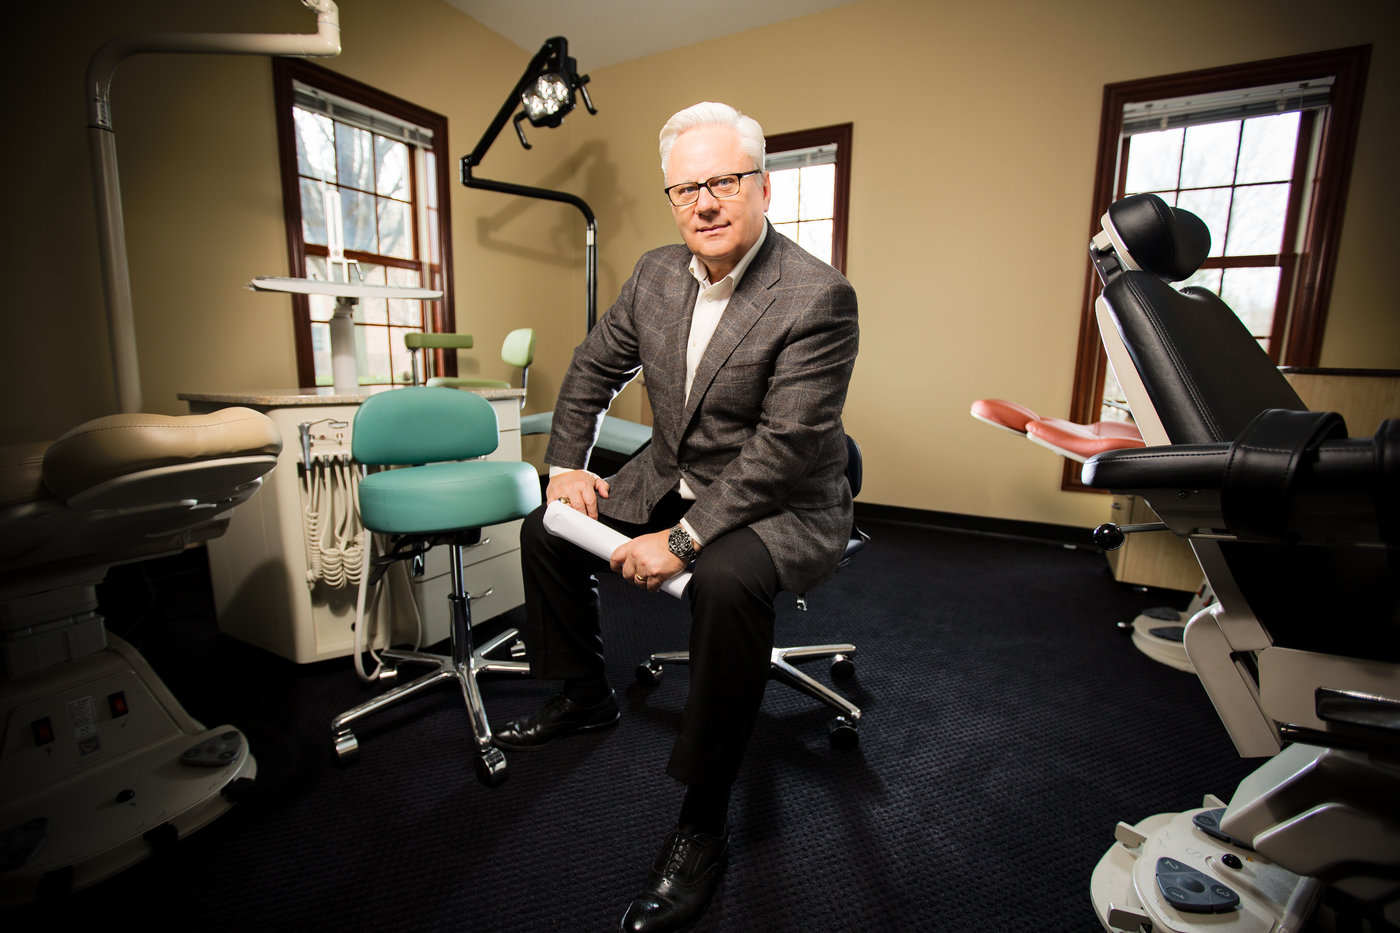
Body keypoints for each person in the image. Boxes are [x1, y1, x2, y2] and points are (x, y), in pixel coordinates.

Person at [492, 101, 859, 933]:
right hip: (675, 472)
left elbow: (781, 453)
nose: (705, 202)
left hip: (786, 501)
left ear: (762, 187)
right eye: (686, 187)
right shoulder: (657, 272)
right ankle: (584, 694)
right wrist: (568, 469)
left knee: (724, 585)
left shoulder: (818, 297)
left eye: (724, 182)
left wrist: (681, 541)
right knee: (549, 526)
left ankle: (702, 818)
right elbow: (591, 367)